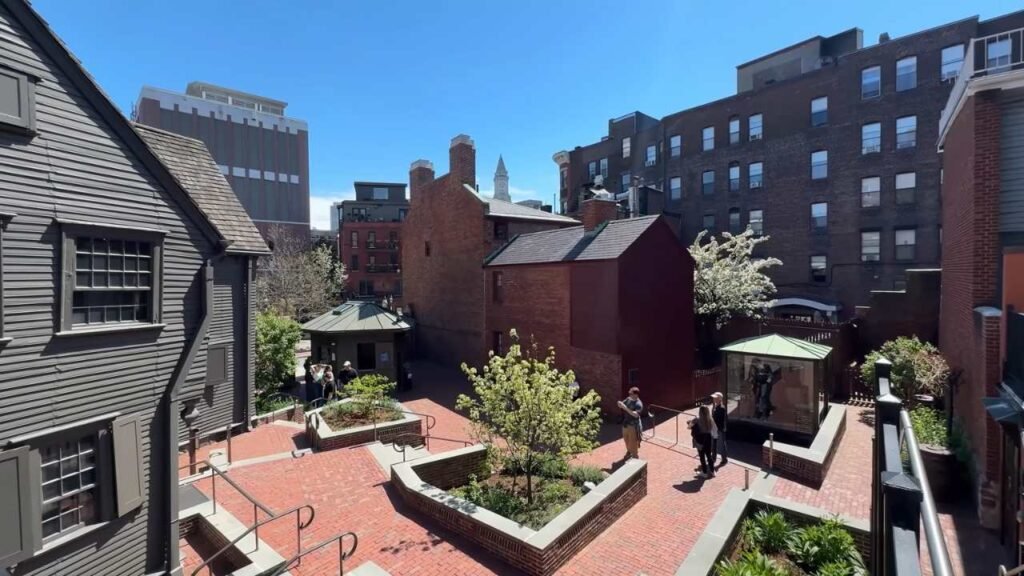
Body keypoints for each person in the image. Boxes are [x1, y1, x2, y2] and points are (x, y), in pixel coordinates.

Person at [691, 405, 718, 478]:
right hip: (708, 439)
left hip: (700, 439)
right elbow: (715, 430)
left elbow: (689, 426)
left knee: (702, 456)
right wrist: (715, 437)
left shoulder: (697, 419)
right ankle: (712, 471)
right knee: (709, 455)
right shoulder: (710, 419)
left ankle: (704, 472)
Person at [617, 387, 643, 460]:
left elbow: (635, 415)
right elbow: (622, 405)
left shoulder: (638, 404)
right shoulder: (628, 399)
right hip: (625, 424)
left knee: (633, 442)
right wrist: (619, 404)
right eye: (629, 393)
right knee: (626, 440)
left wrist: (625, 408)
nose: (629, 394)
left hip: (633, 426)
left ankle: (635, 457)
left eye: (631, 393)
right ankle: (629, 450)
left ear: (636, 395)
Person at [710, 392, 728, 466]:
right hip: (714, 428)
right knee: (713, 444)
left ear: (719, 399)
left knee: (721, 445)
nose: (714, 399)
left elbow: (720, 420)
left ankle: (724, 459)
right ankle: (713, 458)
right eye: (714, 398)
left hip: (719, 429)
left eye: (715, 398)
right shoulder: (714, 407)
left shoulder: (721, 408)